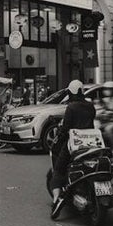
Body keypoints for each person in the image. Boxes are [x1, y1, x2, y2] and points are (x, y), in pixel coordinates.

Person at [47, 79, 98, 214]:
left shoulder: (71, 107)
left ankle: (56, 200)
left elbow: (65, 130)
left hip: (75, 145)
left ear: (72, 92)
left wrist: (58, 138)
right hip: (91, 144)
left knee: (58, 169)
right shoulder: (90, 106)